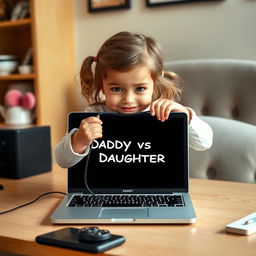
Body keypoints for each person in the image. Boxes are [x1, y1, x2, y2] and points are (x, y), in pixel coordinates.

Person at [55, 31, 213, 168]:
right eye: (116, 89)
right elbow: (62, 161)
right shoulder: (93, 114)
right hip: (107, 192)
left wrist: (186, 116)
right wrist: (79, 141)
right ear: (102, 86)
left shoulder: (166, 113)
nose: (129, 100)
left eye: (140, 89)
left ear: (154, 84)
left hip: (156, 190)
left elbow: (204, 143)